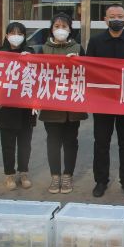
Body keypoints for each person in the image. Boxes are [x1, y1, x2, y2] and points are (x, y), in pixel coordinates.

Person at [86, 4, 124, 198]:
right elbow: (88, 69)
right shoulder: (95, 42)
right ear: (105, 19)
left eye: (120, 16)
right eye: (112, 16)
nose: (116, 19)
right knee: (101, 142)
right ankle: (101, 181)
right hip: (102, 101)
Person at [40, 13, 88, 194]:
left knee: (70, 141)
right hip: (51, 105)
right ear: (51, 29)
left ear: (70, 29)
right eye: (57, 26)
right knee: (52, 142)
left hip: (72, 107)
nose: (60, 30)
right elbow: (35, 73)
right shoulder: (43, 49)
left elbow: (88, 72)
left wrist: (79, 62)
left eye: (64, 26)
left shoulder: (78, 48)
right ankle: (55, 176)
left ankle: (67, 175)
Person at [0, 21, 36, 191]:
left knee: (25, 143)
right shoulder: (0, 54)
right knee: (8, 144)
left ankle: (23, 172)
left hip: (26, 108)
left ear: (24, 36)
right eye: (12, 33)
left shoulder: (30, 52)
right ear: (6, 35)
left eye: (20, 33)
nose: (16, 36)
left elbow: (39, 76)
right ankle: (9, 175)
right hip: (6, 107)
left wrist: (31, 59)